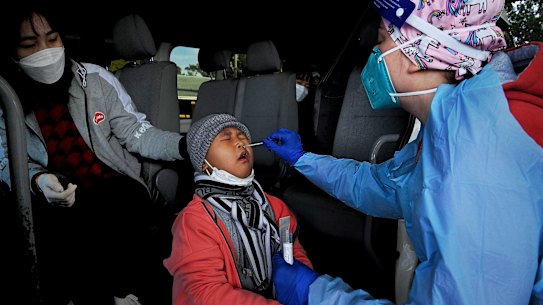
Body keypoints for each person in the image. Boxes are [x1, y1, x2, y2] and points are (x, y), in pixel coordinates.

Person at [263, 0, 543, 304]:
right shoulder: (454, 125)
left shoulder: (477, 162)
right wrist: (303, 159)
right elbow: (380, 186)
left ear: (416, 53)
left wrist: (315, 294)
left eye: (381, 40)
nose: (374, 55)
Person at [0, 6, 187, 305]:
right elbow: (7, 160)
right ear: (12, 53)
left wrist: (184, 145)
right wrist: (38, 180)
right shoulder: (6, 100)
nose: (45, 51)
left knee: (115, 209)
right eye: (29, 44)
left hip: (114, 184)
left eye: (52, 38)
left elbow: (136, 132)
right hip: (60, 196)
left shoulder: (95, 79)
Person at [163, 113, 314, 305]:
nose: (240, 142)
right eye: (226, 138)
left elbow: (293, 251)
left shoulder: (276, 207)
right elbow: (205, 294)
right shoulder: (195, 220)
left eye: (242, 136)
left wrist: (304, 292)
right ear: (204, 164)